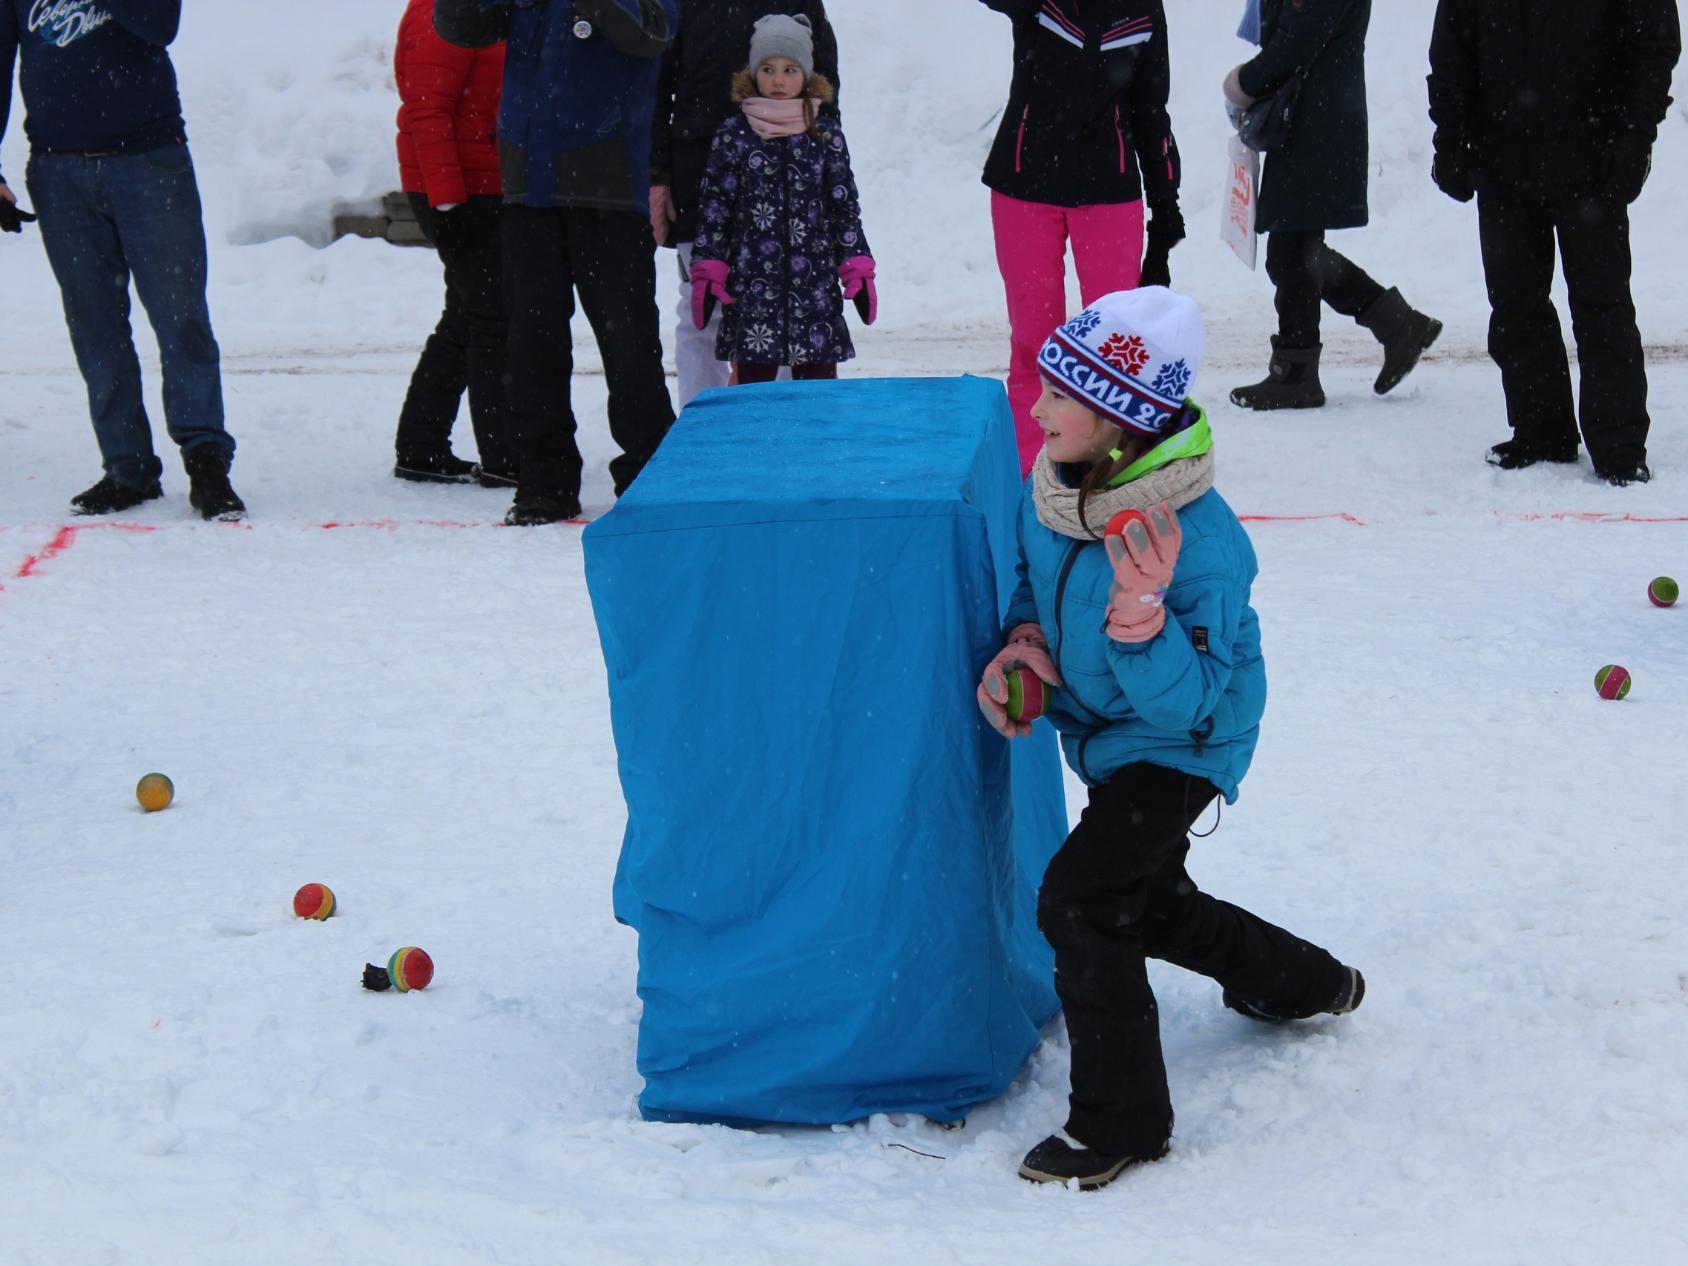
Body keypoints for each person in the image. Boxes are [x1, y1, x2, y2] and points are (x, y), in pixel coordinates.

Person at [977, 287, 1364, 1190]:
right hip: (1110, 736)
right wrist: (1026, 646)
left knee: (1080, 900)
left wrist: (1140, 616)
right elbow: (1034, 586)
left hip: (1184, 745)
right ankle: (1305, 982)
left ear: (1119, 421)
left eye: (1058, 398)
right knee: (1145, 902)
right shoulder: (1059, 489)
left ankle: (1122, 1124)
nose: (1035, 411)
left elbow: (1186, 707)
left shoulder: (1202, 544)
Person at [435, 0, 678, 526]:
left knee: (629, 345)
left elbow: (653, 34)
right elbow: (461, 26)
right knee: (531, 343)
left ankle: (648, 477)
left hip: (609, 187)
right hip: (529, 185)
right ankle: (544, 481)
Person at [0, 0, 244, 521]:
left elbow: (160, 26)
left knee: (180, 318)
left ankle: (206, 462)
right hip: (57, 172)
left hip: (149, 162)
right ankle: (126, 467)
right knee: (94, 324)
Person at [1428, 0, 1680, 486]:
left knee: (1602, 303)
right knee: (1515, 302)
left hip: (1593, 158)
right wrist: (1451, 138)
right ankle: (1541, 431)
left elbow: (1655, 43)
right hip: (1502, 154)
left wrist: (1634, 135)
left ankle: (1619, 446)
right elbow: (1452, 49)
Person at [976, 0, 1185, 477]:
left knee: (1114, 349)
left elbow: (1151, 109)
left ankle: (1111, 463)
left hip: (1109, 194)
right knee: (1034, 344)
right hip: (1023, 186)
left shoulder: (1144, 11)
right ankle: (1035, 473)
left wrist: (1165, 206)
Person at [1224, 0, 1440, 411]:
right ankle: (1395, 324)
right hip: (1310, 118)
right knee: (1296, 252)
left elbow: (1296, 41)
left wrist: (1242, 83)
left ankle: (1299, 372)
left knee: (1292, 253)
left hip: (1316, 123)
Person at [649, 0, 840, 408]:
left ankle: (787, 437)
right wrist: (657, 175)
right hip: (699, 175)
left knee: (793, 311)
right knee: (703, 310)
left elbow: (826, 92)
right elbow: (657, 86)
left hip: (790, 180)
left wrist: (824, 176)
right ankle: (703, 440)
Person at [688, 15, 872, 386]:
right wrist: (708, 264)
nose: (778, 80)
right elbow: (715, 207)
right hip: (752, 293)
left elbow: (843, 206)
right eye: (768, 68)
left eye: (790, 69)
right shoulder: (734, 135)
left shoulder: (825, 135)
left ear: (806, 74)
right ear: (753, 71)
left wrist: (855, 263)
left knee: (816, 397)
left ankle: (814, 446)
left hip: (815, 292)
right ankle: (751, 445)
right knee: (752, 397)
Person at [393, 0, 515, 487]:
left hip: (485, 183)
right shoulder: (441, 11)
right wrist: (448, 201)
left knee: (467, 316)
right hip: (459, 190)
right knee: (490, 318)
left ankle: (420, 445)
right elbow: (427, 107)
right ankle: (504, 456)